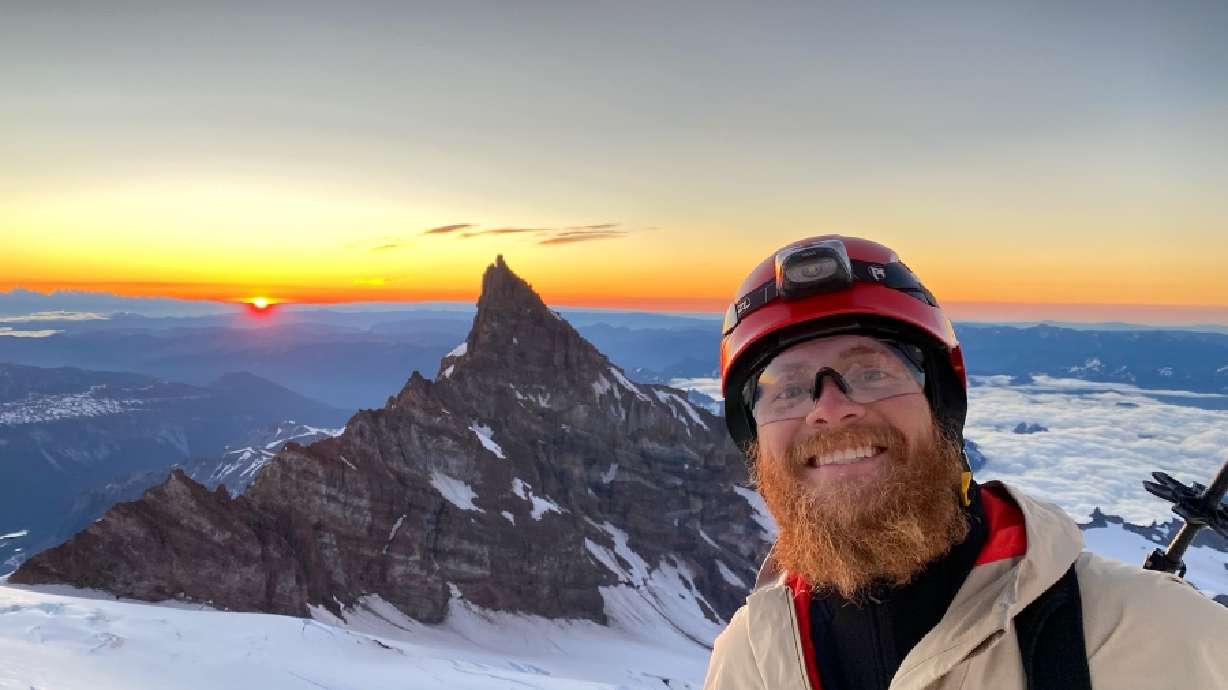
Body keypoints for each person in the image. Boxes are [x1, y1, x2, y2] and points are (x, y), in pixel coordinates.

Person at [703, 235, 1228, 690]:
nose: (831, 409)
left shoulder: (1161, 637)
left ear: (942, 406)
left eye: (871, 373)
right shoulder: (745, 662)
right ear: (755, 440)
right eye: (788, 389)